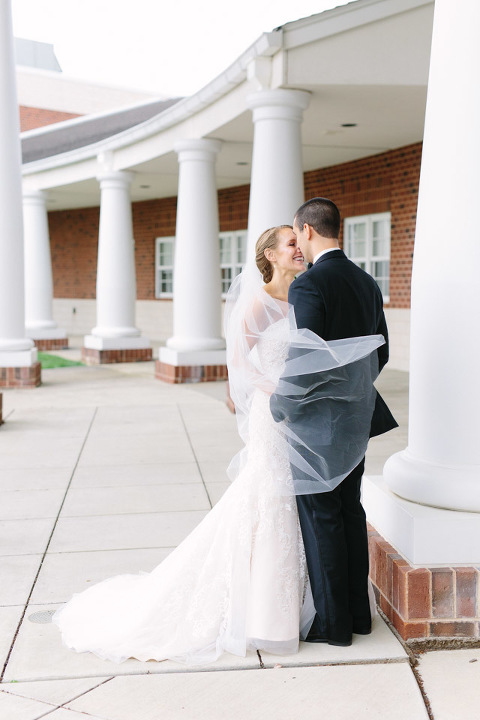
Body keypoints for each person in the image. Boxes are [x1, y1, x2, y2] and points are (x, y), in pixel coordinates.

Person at [53, 224, 384, 665]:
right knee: (274, 505)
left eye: (297, 241)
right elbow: (241, 372)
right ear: (269, 254)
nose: (298, 250)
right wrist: (279, 394)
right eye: (289, 244)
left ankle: (311, 608)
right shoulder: (255, 306)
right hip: (278, 415)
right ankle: (271, 614)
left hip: (311, 419)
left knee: (307, 512)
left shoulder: (307, 296)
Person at [275, 197, 397, 648]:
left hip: (316, 424)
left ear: (307, 231)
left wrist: (280, 406)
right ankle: (359, 617)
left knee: (322, 517)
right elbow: (380, 351)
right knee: (350, 511)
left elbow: (305, 356)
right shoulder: (367, 282)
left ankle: (334, 624)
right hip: (356, 419)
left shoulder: (309, 285)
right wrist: (353, 393)